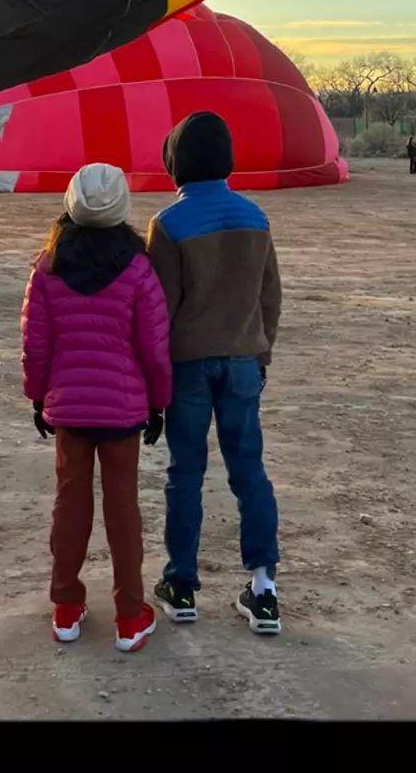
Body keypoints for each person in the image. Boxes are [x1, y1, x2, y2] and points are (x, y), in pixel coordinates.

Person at [20, 163, 172, 653]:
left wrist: (39, 395)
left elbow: (35, 345)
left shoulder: (47, 267)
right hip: (124, 409)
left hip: (70, 410)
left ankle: (65, 604)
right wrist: (159, 403)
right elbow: (154, 346)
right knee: (122, 506)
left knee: (71, 502)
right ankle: (130, 615)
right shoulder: (138, 268)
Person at [145, 112, 285, 635]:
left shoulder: (169, 224)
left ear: (175, 161)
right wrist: (261, 354)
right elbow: (270, 298)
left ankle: (181, 585)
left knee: (185, 474)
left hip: (187, 369)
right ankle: (264, 589)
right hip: (245, 362)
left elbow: (158, 312)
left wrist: (154, 384)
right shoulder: (256, 218)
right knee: (250, 473)